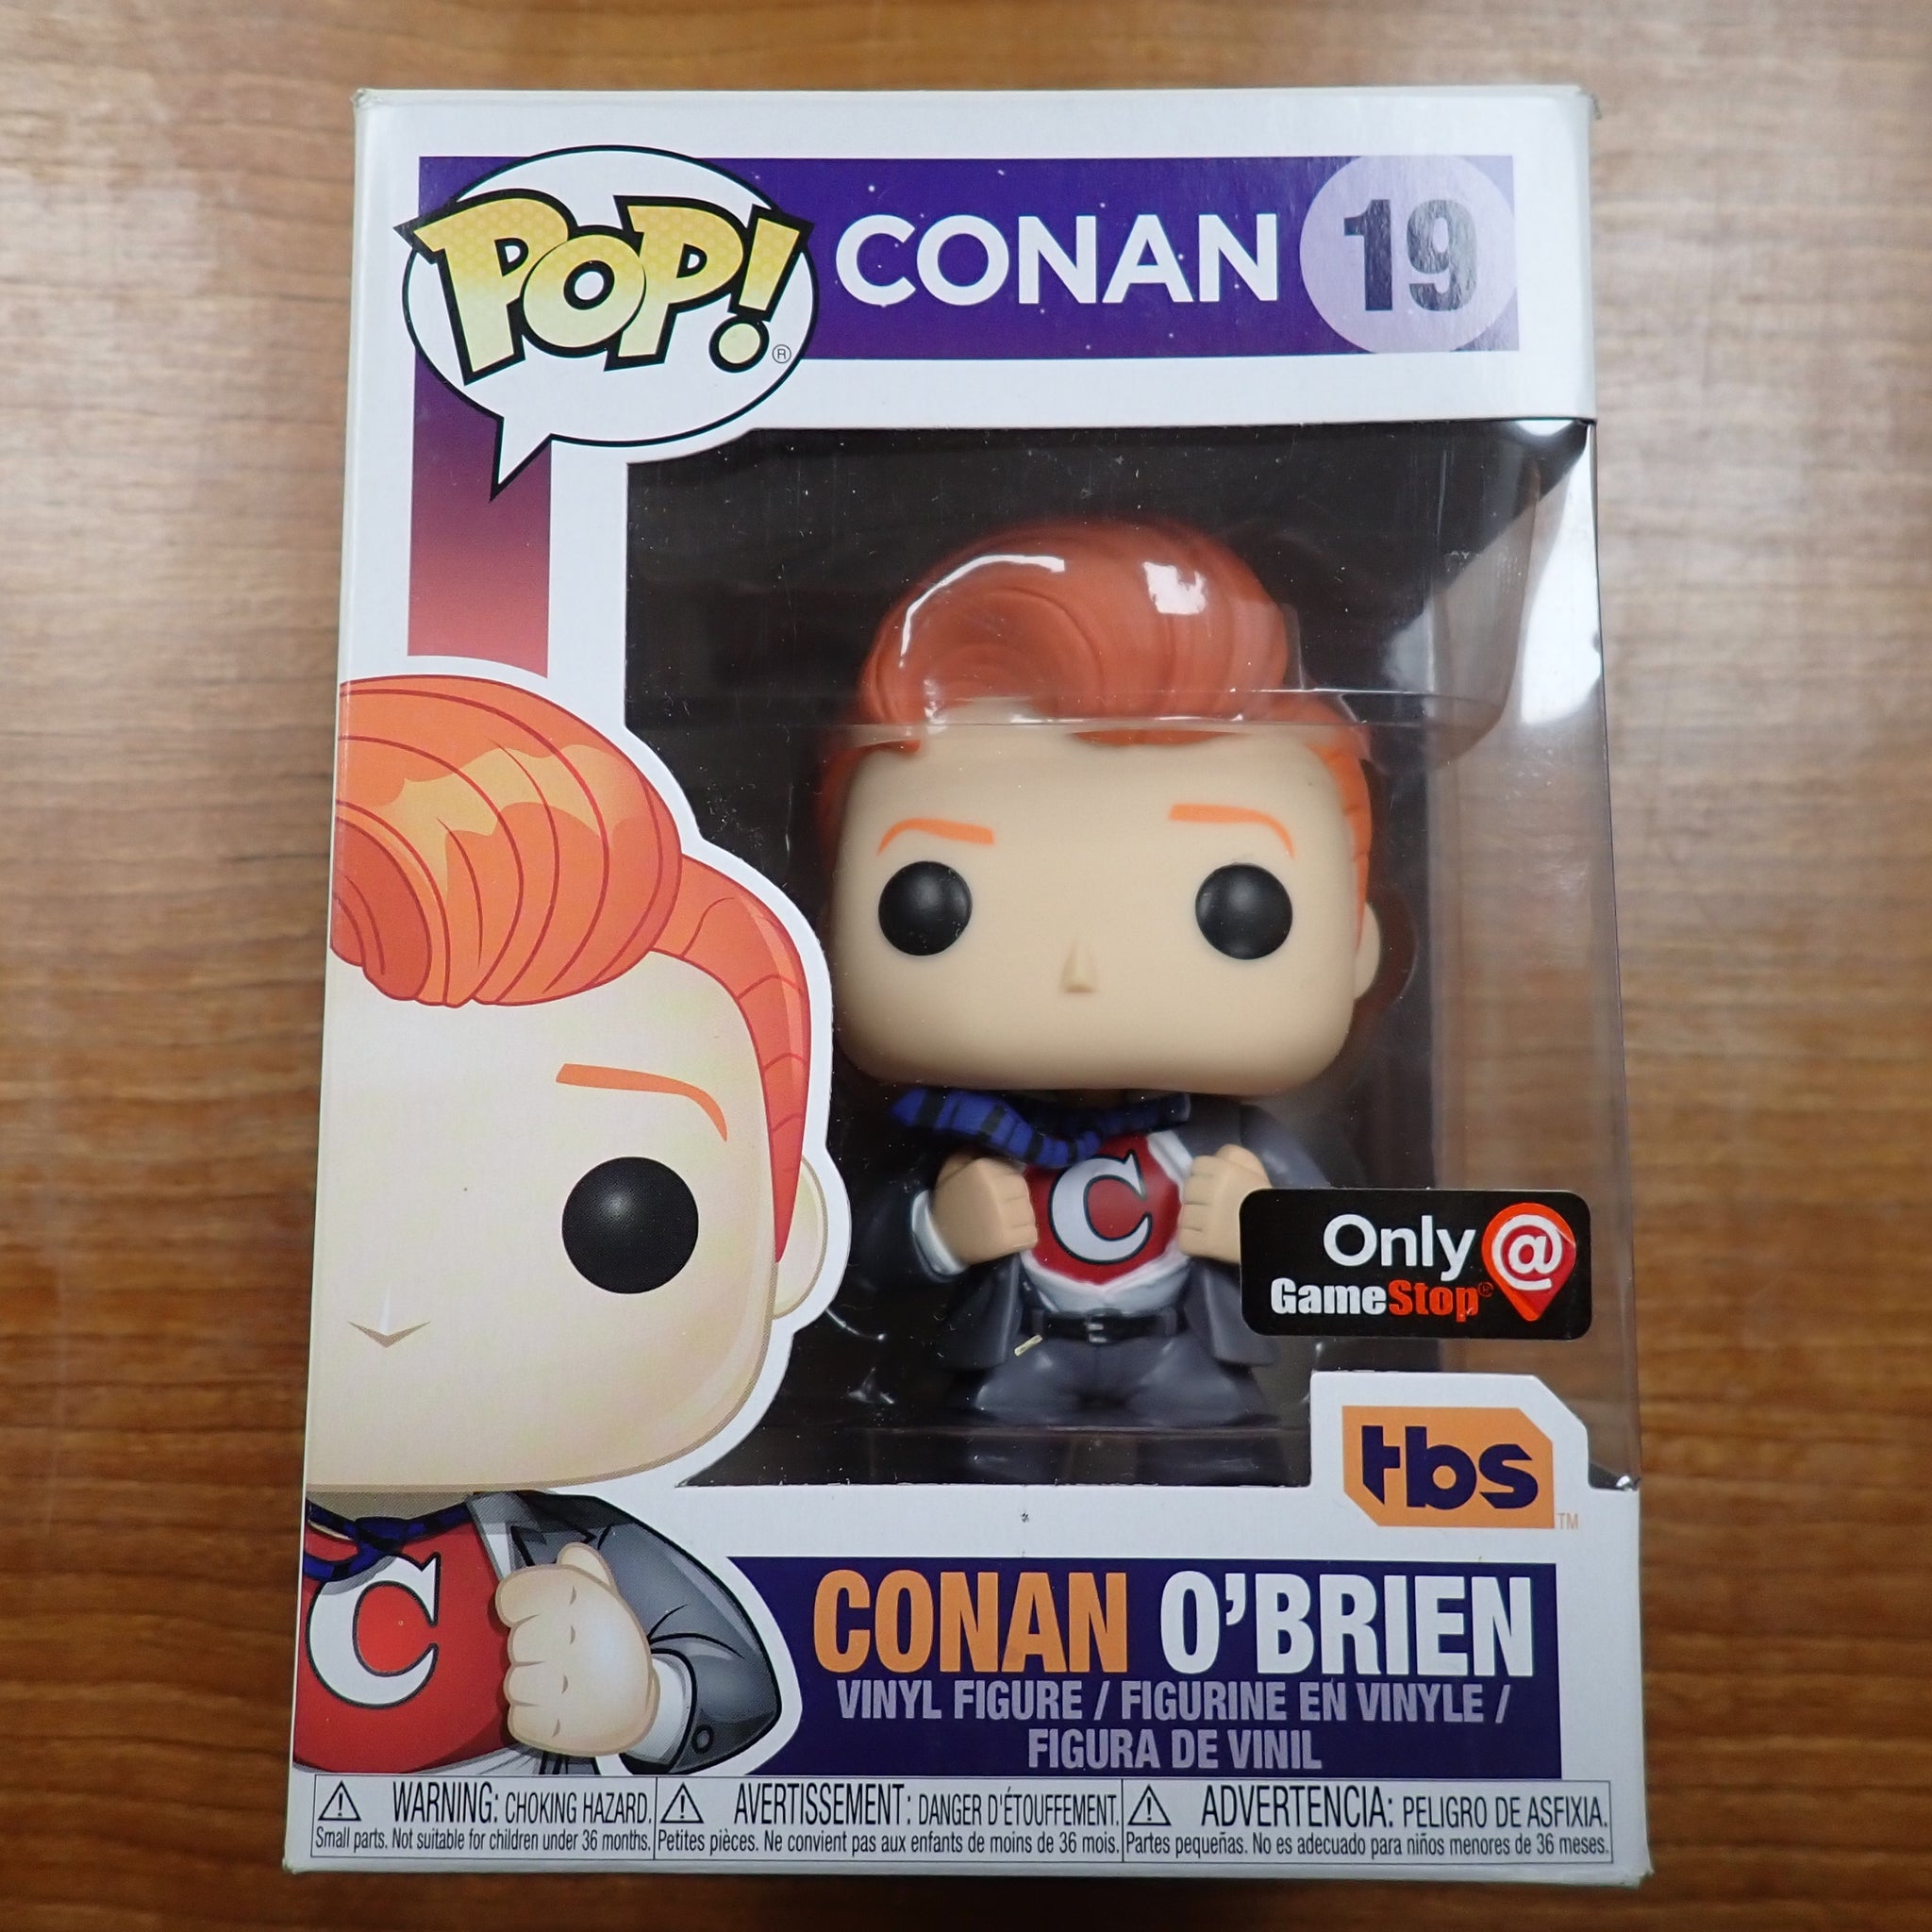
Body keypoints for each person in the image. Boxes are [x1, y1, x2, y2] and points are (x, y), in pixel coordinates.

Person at [298, 674, 834, 1775]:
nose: (396, 1308)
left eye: (623, 1221)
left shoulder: (575, 1545)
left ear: (788, 1243)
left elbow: (737, 1685)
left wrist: (644, 1700)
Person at [824, 518, 1379, 1479]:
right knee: (977, 1471)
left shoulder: (1231, 1137)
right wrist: (937, 1230)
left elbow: (1351, 1255)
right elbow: (857, 1249)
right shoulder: (965, 1134)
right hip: (1016, 1357)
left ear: (1356, 944)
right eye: (931, 903)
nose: (1081, 967)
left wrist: (1268, 1233)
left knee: (1224, 1471)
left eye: (1238, 907)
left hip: (1184, 1358)